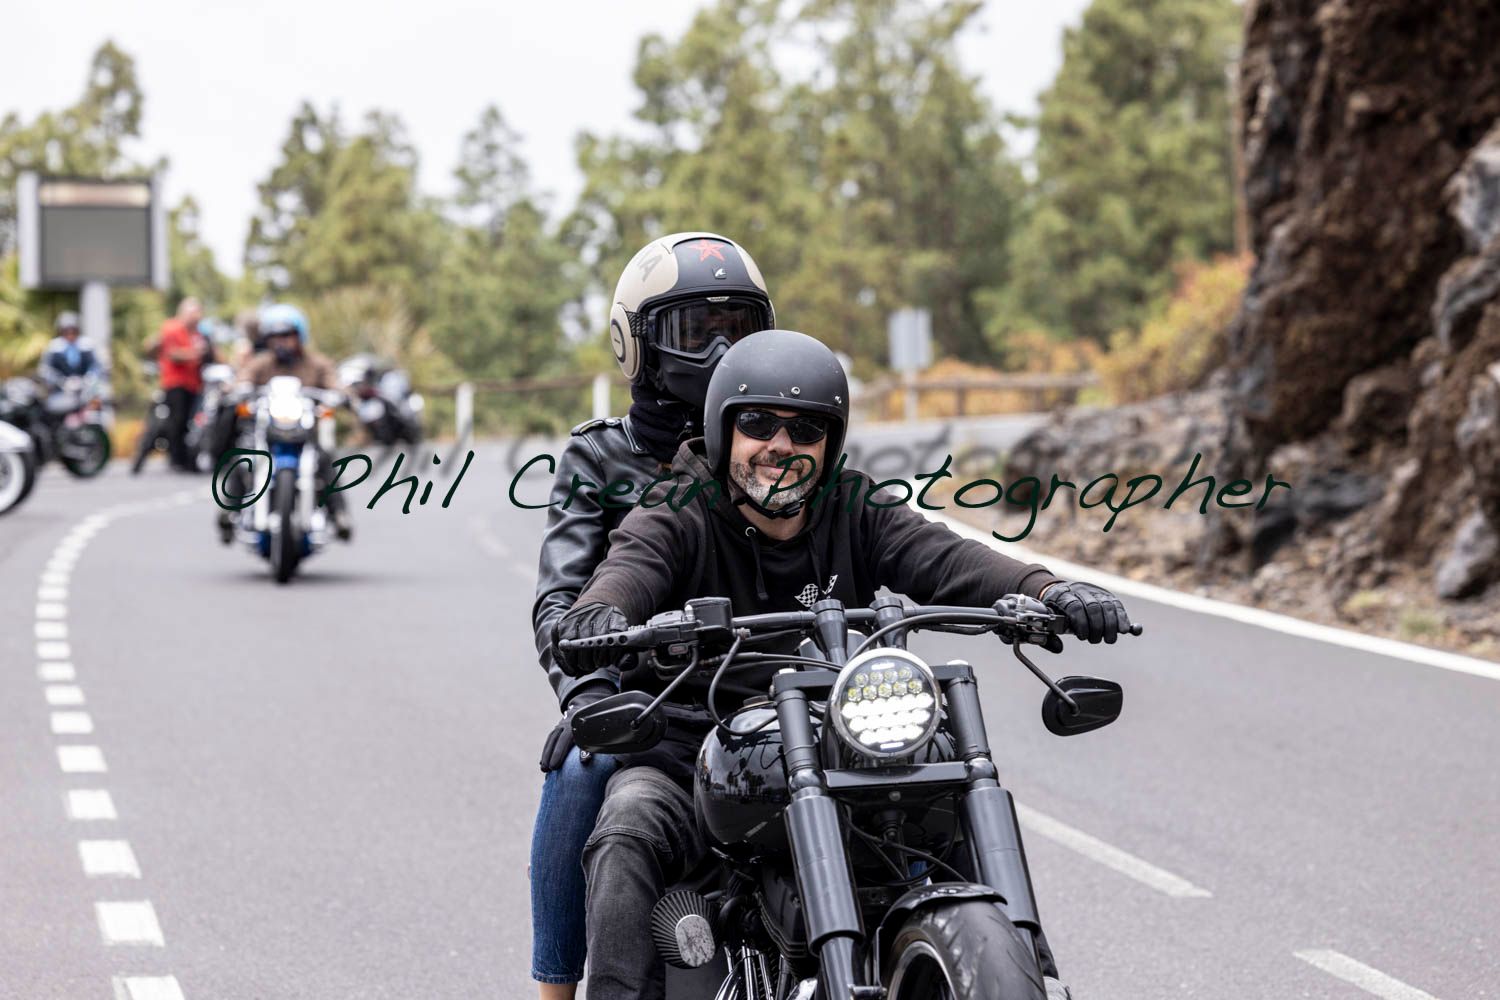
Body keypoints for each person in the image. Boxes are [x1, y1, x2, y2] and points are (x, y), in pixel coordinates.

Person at [552, 330, 1133, 1000]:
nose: (781, 445)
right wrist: (601, 611)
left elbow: (943, 554)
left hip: (844, 742)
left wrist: (1045, 589)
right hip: (693, 753)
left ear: (828, 445)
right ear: (722, 431)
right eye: (760, 424)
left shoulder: (853, 506)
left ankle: (1027, 973)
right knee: (628, 823)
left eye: (805, 431)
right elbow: (632, 563)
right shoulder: (680, 506)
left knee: (948, 786)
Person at [528, 232, 776, 999]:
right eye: (696, 329)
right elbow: (559, 597)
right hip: (648, 704)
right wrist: (590, 691)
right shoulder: (600, 461)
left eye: (740, 326)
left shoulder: (773, 443)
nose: (722, 346)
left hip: (770, 700)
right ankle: (556, 988)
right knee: (579, 764)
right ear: (634, 341)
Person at [216, 303, 351, 540]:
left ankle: (339, 515)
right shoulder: (261, 363)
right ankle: (230, 511)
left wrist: (342, 393)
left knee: (325, 459)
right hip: (267, 432)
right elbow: (242, 378)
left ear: (299, 337)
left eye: (287, 336)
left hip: (305, 434)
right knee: (242, 457)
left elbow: (334, 382)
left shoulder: (317, 364)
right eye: (276, 337)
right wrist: (233, 389)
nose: (282, 342)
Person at [154, 298, 210, 471]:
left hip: (193, 384)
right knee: (177, 421)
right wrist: (194, 354)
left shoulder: (197, 333)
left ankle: (187, 458)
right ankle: (175, 458)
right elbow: (172, 353)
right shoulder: (172, 328)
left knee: (190, 422)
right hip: (175, 383)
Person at [38, 311, 103, 390]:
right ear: (61, 332)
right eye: (66, 332)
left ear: (78, 331)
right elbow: (44, 369)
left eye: (73, 332)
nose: (70, 335)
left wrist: (88, 379)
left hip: (86, 389)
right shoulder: (53, 347)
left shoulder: (88, 346)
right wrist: (61, 381)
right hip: (60, 390)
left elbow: (97, 366)